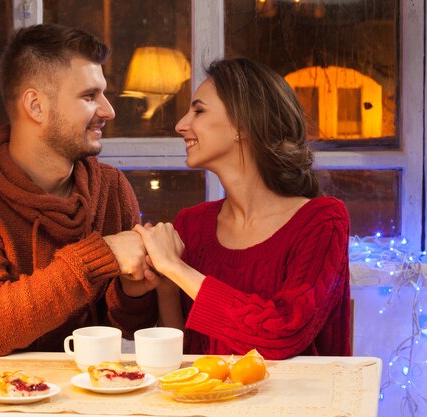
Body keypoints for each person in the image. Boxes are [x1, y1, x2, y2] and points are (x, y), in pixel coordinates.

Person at [0, 24, 158, 356]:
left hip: (88, 394)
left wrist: (134, 291)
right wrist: (102, 255)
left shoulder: (112, 188)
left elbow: (127, 329)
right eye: (89, 96)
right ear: (35, 106)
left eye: (103, 93)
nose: (109, 111)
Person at [134, 57, 351, 360]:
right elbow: (184, 357)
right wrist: (166, 282)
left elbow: (283, 332)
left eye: (198, 110)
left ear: (245, 125)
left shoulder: (322, 220)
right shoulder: (191, 224)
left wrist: (176, 267)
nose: (180, 125)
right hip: (208, 406)